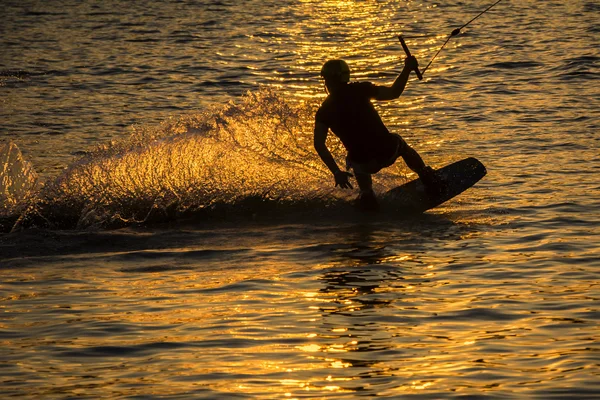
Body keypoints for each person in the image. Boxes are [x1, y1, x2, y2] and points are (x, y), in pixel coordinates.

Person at [313, 57, 443, 211]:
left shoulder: (324, 111)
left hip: (364, 163)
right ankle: (427, 176)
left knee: (354, 157)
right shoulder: (361, 90)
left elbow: (319, 144)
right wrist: (407, 69)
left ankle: (367, 195)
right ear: (345, 77)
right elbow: (394, 92)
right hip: (385, 151)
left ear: (326, 80)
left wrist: (336, 171)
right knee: (400, 143)